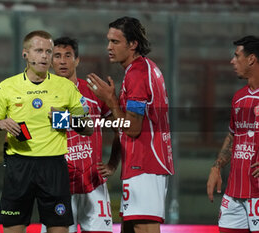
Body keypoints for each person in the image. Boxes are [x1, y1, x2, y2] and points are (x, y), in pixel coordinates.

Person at [0, 30, 93, 233]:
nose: (45, 56)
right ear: (25, 54)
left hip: (54, 167)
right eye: (39, 50)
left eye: (49, 51)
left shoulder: (66, 87)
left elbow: (88, 128)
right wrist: (0, 124)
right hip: (19, 166)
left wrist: (64, 119)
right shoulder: (7, 87)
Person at [86, 16, 174, 233]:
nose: (109, 47)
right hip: (140, 165)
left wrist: (110, 100)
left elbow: (132, 128)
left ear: (133, 44)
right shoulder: (141, 70)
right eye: (108, 41)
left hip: (145, 165)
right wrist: (115, 163)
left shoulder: (138, 74)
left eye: (115, 42)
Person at [39, 36, 119, 233]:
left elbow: (120, 127)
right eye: (57, 56)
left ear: (77, 60)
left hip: (93, 183)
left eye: (68, 55)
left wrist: (113, 164)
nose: (63, 61)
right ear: (50, 61)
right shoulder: (39, 96)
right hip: (57, 185)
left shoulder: (94, 93)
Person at [207, 35, 259, 233]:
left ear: (251, 59)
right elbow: (233, 136)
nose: (232, 61)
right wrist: (216, 167)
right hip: (234, 193)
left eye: (237, 56)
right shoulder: (239, 98)